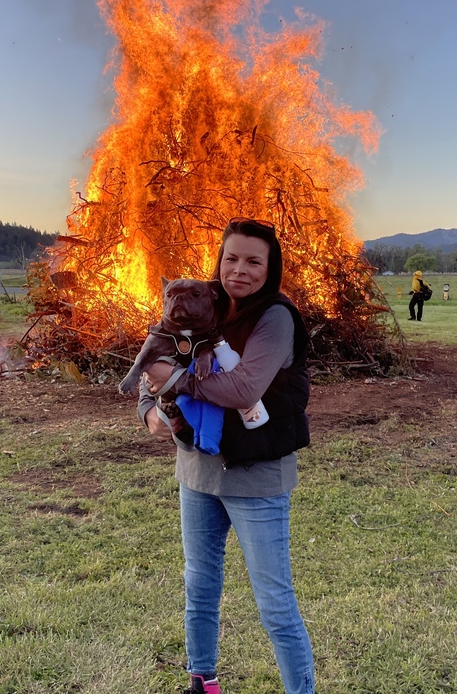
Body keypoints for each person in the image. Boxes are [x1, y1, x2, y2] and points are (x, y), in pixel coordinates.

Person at [139, 217, 314, 694]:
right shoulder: (199, 298)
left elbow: (242, 388)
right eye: (231, 258)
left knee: (275, 604)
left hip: (256, 475)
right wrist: (148, 411)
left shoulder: (275, 317)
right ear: (220, 259)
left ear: (269, 267)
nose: (240, 270)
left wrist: (173, 384)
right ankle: (203, 681)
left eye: (254, 261)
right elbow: (153, 357)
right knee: (199, 587)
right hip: (197, 472)